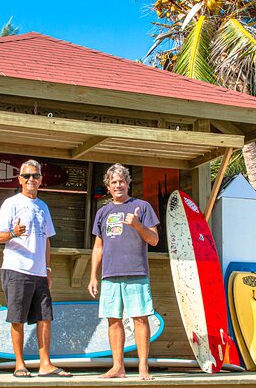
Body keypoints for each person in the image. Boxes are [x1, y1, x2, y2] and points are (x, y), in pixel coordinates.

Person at [0, 159, 72, 378]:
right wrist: (13, 233)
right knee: (17, 317)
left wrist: (47, 269)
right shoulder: (11, 203)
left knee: (45, 317)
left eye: (35, 176)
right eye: (26, 176)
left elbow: (47, 240)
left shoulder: (43, 206)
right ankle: (20, 364)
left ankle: (45, 364)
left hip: (39, 272)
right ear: (19, 179)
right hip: (16, 268)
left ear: (41, 180)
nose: (31, 180)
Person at [88, 163, 160, 380]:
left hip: (136, 272)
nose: (118, 185)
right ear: (108, 187)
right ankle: (117, 367)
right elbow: (98, 246)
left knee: (139, 318)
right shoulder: (102, 212)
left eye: (121, 181)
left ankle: (143, 367)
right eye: (113, 182)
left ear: (128, 183)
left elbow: (154, 240)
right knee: (113, 320)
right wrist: (93, 275)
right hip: (110, 274)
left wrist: (138, 225)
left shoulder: (142, 207)